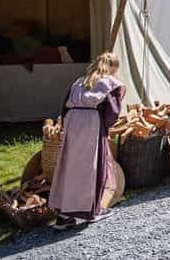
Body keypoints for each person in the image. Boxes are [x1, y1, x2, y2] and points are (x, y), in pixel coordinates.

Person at [49, 52, 126, 230]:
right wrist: (105, 127)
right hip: (92, 123)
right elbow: (112, 112)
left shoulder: (79, 81)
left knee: (70, 167)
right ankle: (92, 211)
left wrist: (67, 125)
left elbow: (65, 106)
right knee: (92, 168)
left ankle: (64, 215)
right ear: (113, 67)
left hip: (73, 122)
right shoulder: (110, 83)